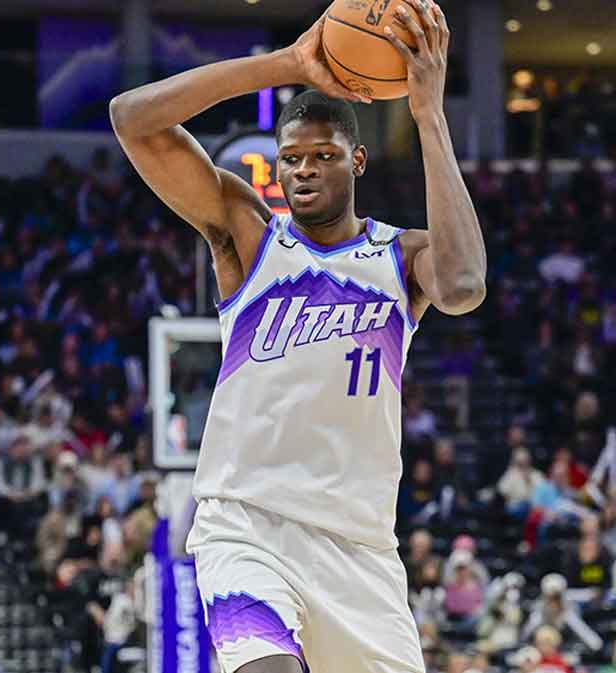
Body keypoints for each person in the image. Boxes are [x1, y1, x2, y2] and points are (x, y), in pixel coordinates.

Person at [111, 1, 486, 671]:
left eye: (323, 155)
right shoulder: (249, 237)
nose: (304, 169)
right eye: (291, 158)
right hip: (247, 526)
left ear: (358, 160)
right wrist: (284, 64)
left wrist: (429, 114)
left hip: (361, 551)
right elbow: (130, 120)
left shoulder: (401, 258)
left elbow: (462, 286)